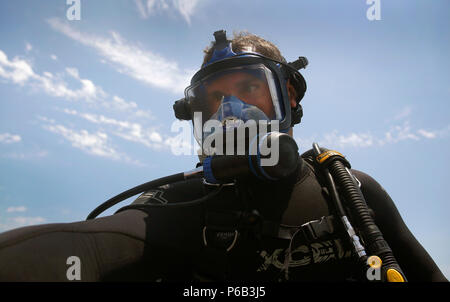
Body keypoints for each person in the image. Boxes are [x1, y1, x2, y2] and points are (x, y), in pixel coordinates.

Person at [0, 30, 447, 282]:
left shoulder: (349, 191)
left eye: (249, 88)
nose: (231, 112)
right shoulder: (176, 206)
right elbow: (88, 247)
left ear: (287, 96)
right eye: (213, 101)